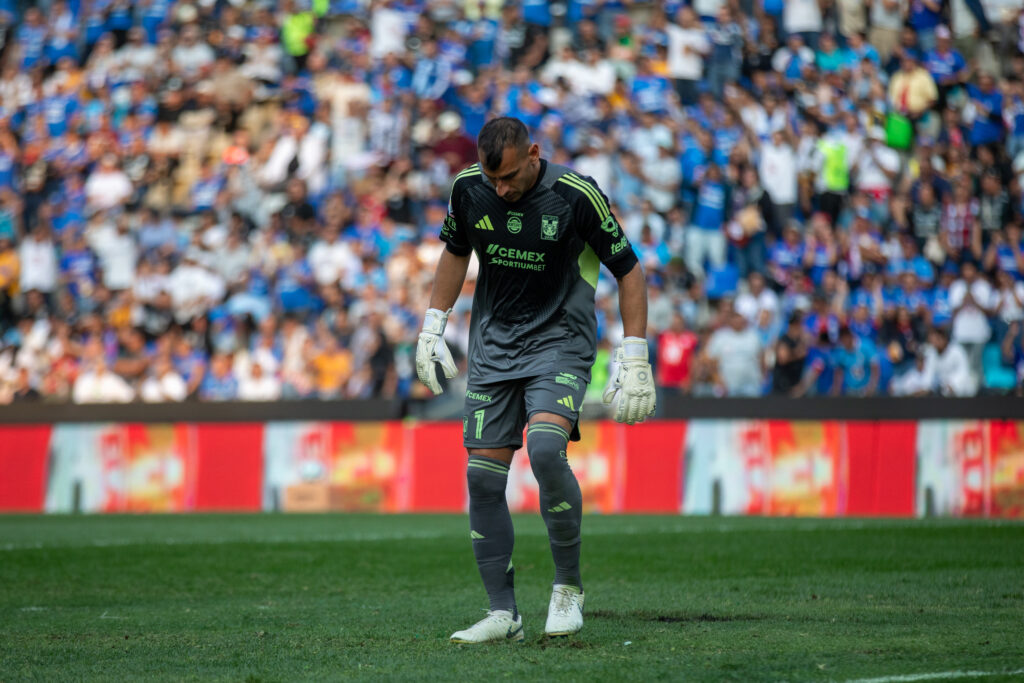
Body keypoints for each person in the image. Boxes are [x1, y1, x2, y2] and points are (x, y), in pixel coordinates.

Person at [416, 117, 654, 643]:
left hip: (559, 342)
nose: (500, 189)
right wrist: (433, 325)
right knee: (482, 478)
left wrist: (635, 352)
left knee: (545, 449)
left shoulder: (576, 195)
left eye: (509, 178)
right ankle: (503, 614)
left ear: (534, 154)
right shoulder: (468, 189)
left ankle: (567, 588)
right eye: (492, 180)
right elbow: (455, 252)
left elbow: (629, 270)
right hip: (493, 348)